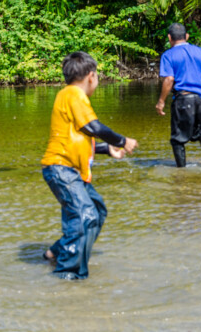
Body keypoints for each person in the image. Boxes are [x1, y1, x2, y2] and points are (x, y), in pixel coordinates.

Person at [40, 51, 138, 280]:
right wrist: (122, 141)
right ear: (91, 76)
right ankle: (68, 274)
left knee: (97, 210)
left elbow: (79, 135)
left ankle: (56, 252)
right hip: (61, 168)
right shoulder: (74, 94)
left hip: (71, 171)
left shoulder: (69, 96)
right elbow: (92, 127)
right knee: (84, 215)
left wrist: (106, 149)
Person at [155, 23, 201, 168]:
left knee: (177, 139)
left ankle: (181, 171)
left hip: (183, 99)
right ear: (187, 36)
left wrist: (161, 101)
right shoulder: (200, 52)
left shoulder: (168, 55)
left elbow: (169, 79)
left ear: (169, 38)